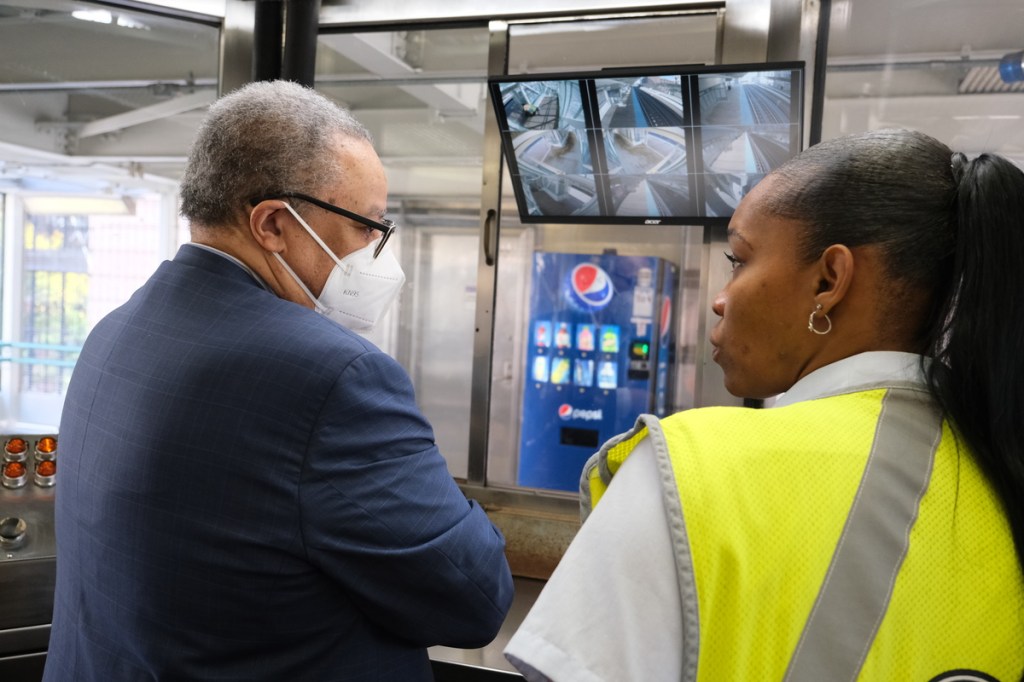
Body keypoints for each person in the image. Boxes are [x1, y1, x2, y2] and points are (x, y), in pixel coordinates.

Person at [504, 128, 1024, 680]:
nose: (722, 300)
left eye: (738, 259)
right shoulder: (1000, 470)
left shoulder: (692, 472)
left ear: (830, 279)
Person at [45, 80, 514, 682]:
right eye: (367, 226)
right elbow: (473, 598)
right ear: (272, 225)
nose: (377, 251)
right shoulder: (333, 376)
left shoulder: (116, 330)